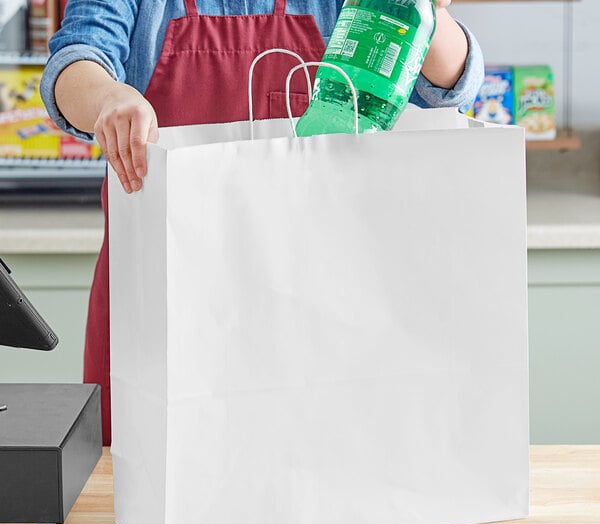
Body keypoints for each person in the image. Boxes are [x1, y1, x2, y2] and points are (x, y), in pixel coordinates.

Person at [41, 0, 484, 446]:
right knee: (137, 474)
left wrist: (426, 11)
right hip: (162, 292)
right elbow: (77, 56)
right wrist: (107, 96)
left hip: (317, 294)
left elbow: (448, 87)